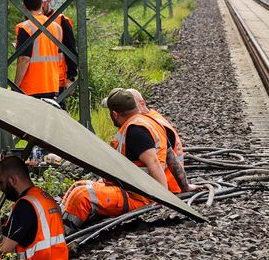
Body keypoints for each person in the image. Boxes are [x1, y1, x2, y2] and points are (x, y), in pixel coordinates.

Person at [56, 88, 188, 224]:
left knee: (82, 195)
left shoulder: (135, 130)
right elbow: (171, 157)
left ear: (115, 114)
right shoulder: (150, 121)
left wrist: (163, 198)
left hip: (140, 195)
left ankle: (64, 235)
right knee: (78, 185)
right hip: (134, 189)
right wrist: (185, 187)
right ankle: (56, 223)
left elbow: (154, 162)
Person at [0, 154, 66, 260]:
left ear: (13, 180)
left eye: (1, 182)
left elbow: (3, 247)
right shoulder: (46, 198)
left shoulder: (25, 205)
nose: (0, 188)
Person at [10, 0, 73, 101]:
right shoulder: (56, 27)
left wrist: (16, 85)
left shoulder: (25, 27)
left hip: (31, 87)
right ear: (42, 4)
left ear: (23, 5)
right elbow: (59, 55)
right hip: (52, 85)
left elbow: (24, 59)